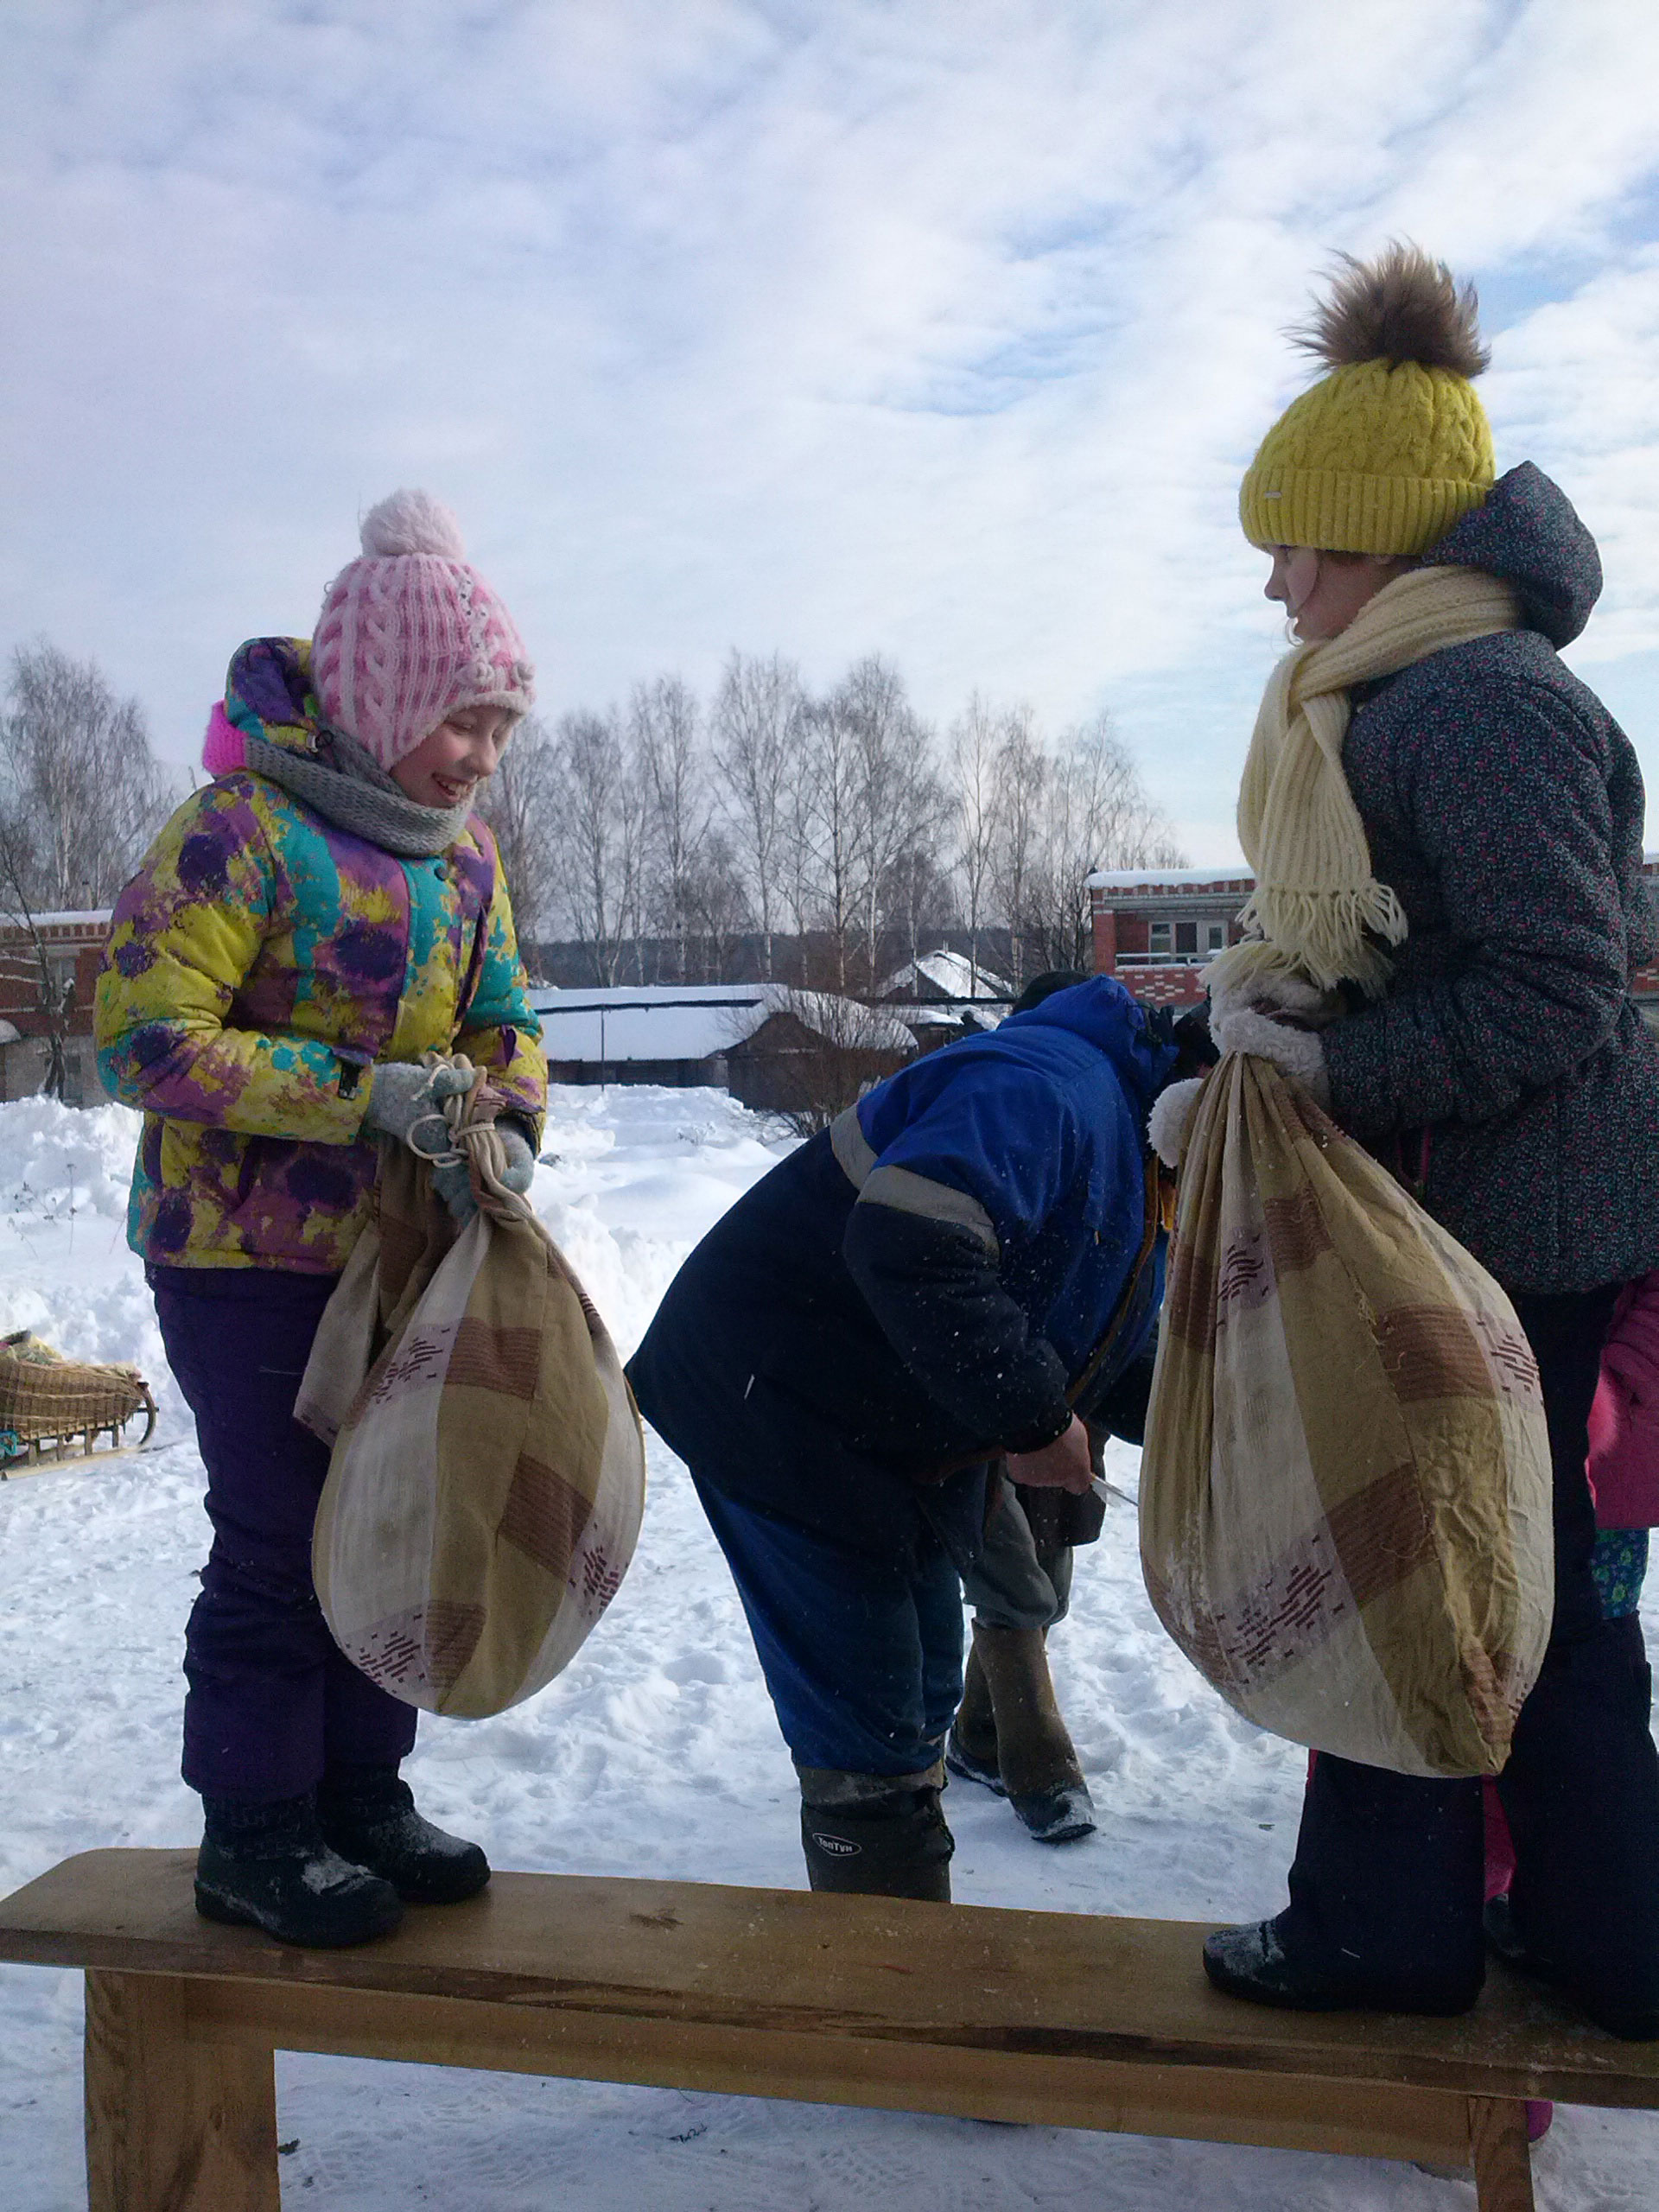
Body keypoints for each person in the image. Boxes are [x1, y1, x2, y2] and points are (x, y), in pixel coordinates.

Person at [1193, 245, 1659, 2040]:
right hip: (1493, 1216)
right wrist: (1286, 1029)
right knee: (1505, 1594)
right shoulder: (1417, 692)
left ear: (1382, 544)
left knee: (1430, 1578)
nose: (1274, 580)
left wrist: (1329, 1076)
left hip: (1519, 1232)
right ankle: (1603, 1932)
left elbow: (1556, 994)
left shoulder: (1473, 704)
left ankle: (1394, 1935)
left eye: (1296, 544)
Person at [95, 490, 547, 1948]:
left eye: (498, 728)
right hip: (241, 1259)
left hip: (404, 1251)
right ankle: (257, 1827)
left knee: (396, 1524)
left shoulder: (464, 855)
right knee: (283, 1536)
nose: (478, 756)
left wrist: (509, 1112)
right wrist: (362, 1095)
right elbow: (144, 1037)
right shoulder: (240, 833)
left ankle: (363, 1796)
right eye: (460, 721)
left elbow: (504, 1015)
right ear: (383, 695)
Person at [626, 974, 1210, 1901]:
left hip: (890, 1419)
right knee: (872, 1706)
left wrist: (1227, 1438)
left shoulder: (1146, 1154)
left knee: (927, 1672)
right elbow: (909, 1240)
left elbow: (1112, 1348)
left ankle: (903, 1950)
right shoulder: (1053, 1086)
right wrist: (1037, 1418)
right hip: (777, 1396)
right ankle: (888, 1988)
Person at [944, 972, 1159, 1847]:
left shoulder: (1121, 1118)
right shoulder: (1011, 1101)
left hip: (1068, 1385)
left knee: (1047, 1559)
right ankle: (1040, 1761)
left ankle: (978, 1733)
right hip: (979, 1378)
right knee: (1014, 1579)